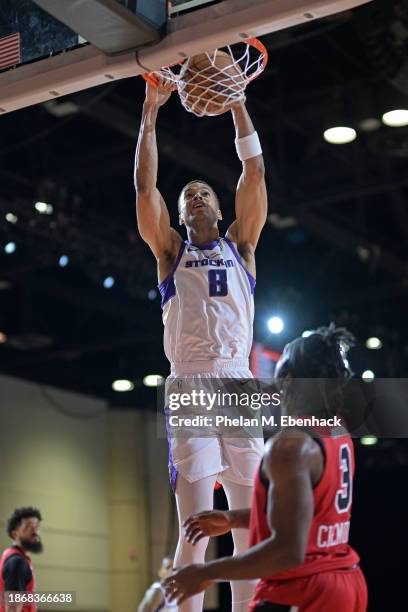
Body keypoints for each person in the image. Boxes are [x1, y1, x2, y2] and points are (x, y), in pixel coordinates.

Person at [134, 75, 267, 612]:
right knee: (196, 529)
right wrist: (149, 113)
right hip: (190, 380)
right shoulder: (169, 251)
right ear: (183, 215)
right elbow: (145, 190)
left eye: (204, 191)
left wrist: (237, 106)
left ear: (217, 207)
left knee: (249, 523)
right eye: (188, 195)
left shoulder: (243, 245)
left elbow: (253, 171)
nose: (195, 194)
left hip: (238, 377)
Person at [163, 325, 368, 611]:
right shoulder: (338, 432)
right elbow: (303, 517)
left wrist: (206, 573)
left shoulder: (290, 447)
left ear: (287, 379)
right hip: (347, 580)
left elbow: (287, 550)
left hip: (305, 591)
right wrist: (233, 518)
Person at [0, 507, 43, 612]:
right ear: (15, 534)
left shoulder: (14, 556)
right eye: (29, 527)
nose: (35, 532)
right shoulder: (16, 562)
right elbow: (12, 609)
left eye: (37, 527)